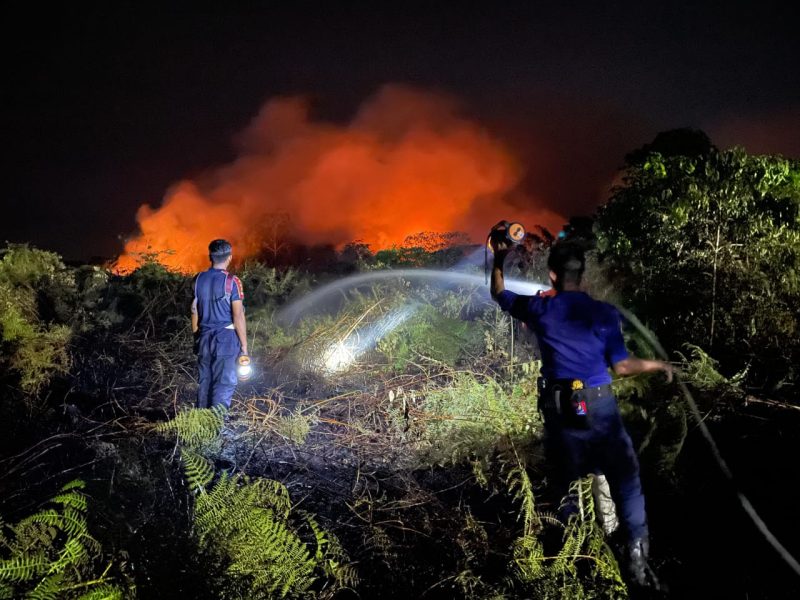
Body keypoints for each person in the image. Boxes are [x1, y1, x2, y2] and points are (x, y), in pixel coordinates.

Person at [490, 238, 672, 586]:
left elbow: (499, 293)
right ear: (581, 276)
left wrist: (499, 257)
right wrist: (656, 363)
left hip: (560, 412)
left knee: (566, 484)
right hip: (601, 406)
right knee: (628, 480)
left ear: (552, 274)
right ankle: (636, 559)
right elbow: (622, 367)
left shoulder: (540, 309)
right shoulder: (605, 313)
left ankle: (577, 559)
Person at [191, 239, 248, 410]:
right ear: (229, 258)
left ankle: (201, 425)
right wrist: (244, 347)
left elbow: (194, 311)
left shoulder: (198, 279)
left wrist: (196, 338)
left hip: (204, 338)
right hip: (225, 339)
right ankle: (215, 427)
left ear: (210, 256)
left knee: (205, 382)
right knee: (223, 383)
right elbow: (238, 316)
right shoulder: (233, 281)